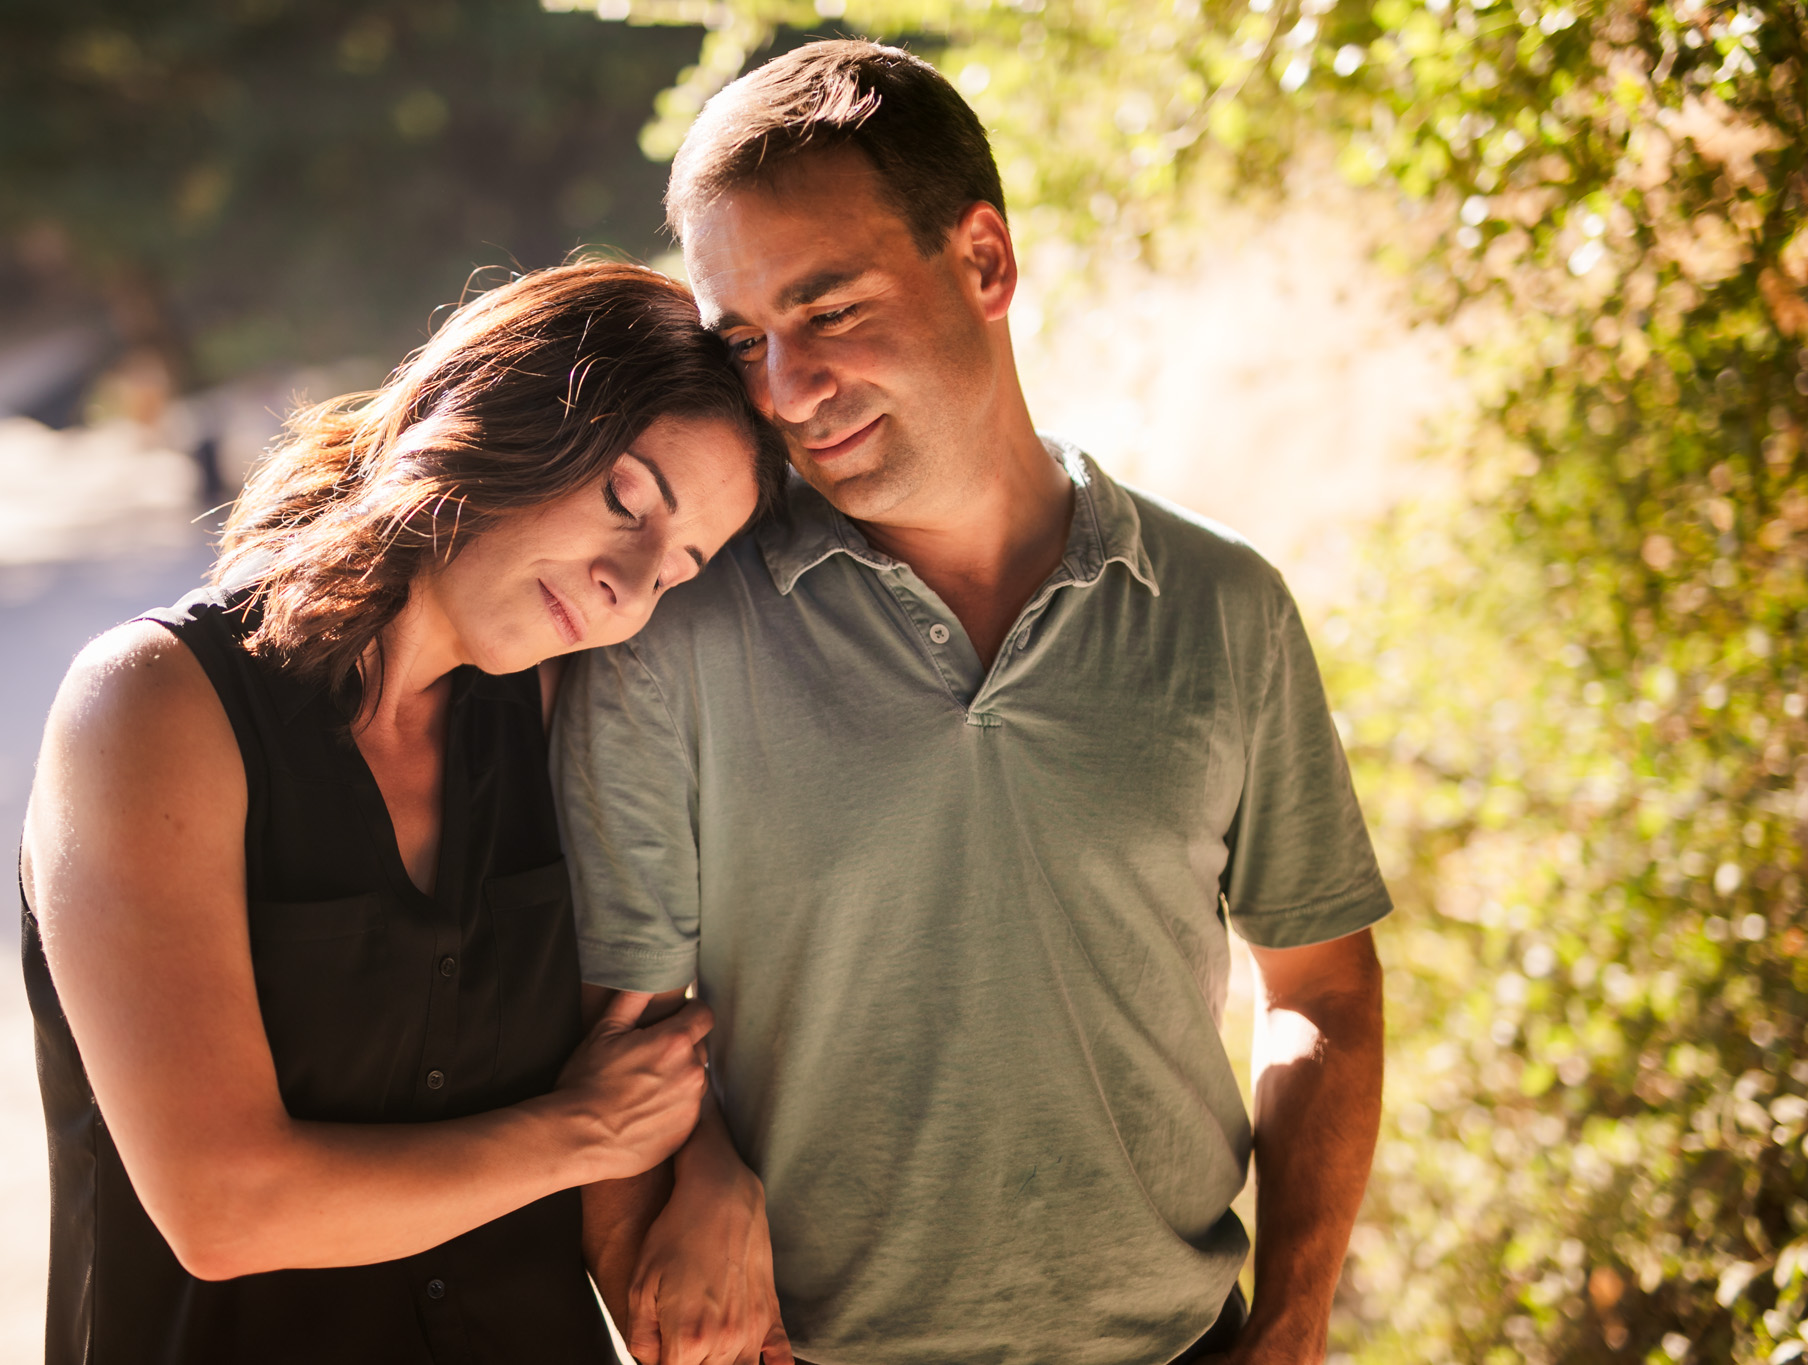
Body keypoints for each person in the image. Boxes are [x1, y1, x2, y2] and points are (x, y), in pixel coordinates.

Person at [554, 43, 1392, 1365]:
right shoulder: (671, 629)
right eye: (744, 340)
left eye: (827, 310)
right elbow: (620, 1050)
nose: (785, 387)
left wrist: (1288, 1327)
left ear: (986, 262)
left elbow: (1323, 990)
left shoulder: (1223, 608)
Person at [20, 260, 786, 1365]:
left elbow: (633, 1040)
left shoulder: (569, 708)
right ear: (503, 406)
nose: (628, 586)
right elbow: (225, 1211)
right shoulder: (153, 703)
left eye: (677, 568)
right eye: (627, 499)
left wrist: (712, 1162)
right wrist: (575, 1136)